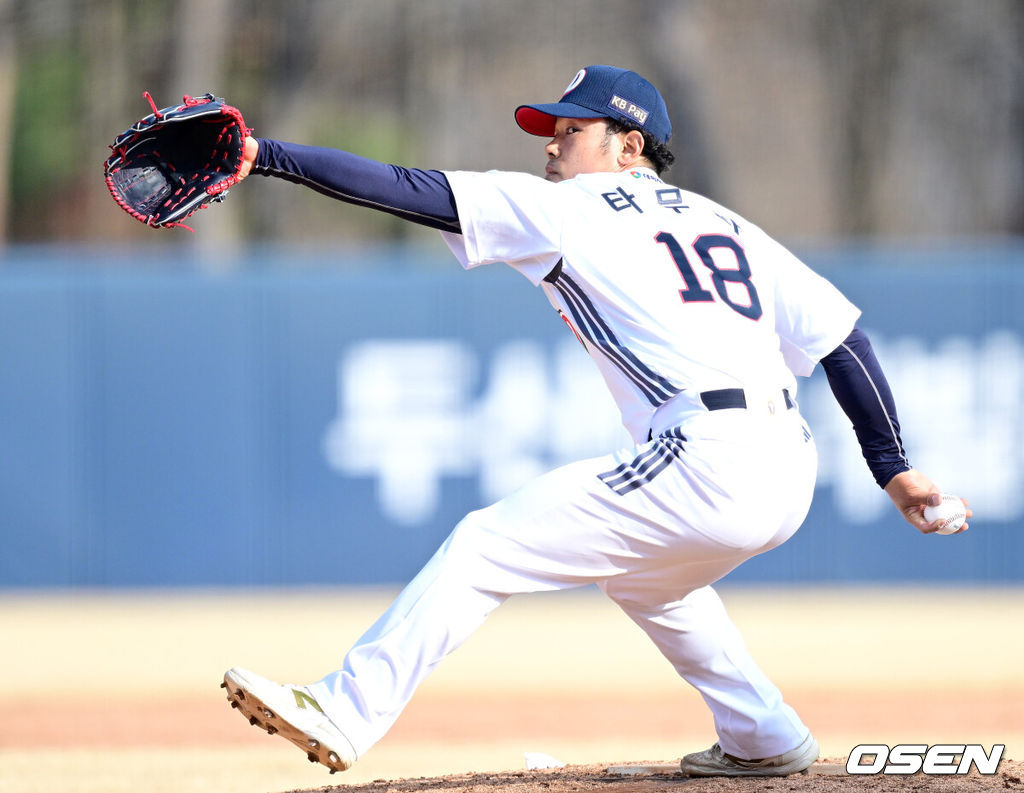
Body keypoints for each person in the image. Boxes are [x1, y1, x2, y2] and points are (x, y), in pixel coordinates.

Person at [220, 65, 970, 777]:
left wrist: (267, 155)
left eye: (571, 131)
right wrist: (893, 469)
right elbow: (845, 342)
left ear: (628, 144)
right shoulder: (728, 224)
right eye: (552, 132)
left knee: (486, 543)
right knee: (650, 585)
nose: (552, 146)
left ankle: (346, 709)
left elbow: (406, 188)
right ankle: (764, 733)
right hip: (787, 465)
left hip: (707, 458)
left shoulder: (568, 208)